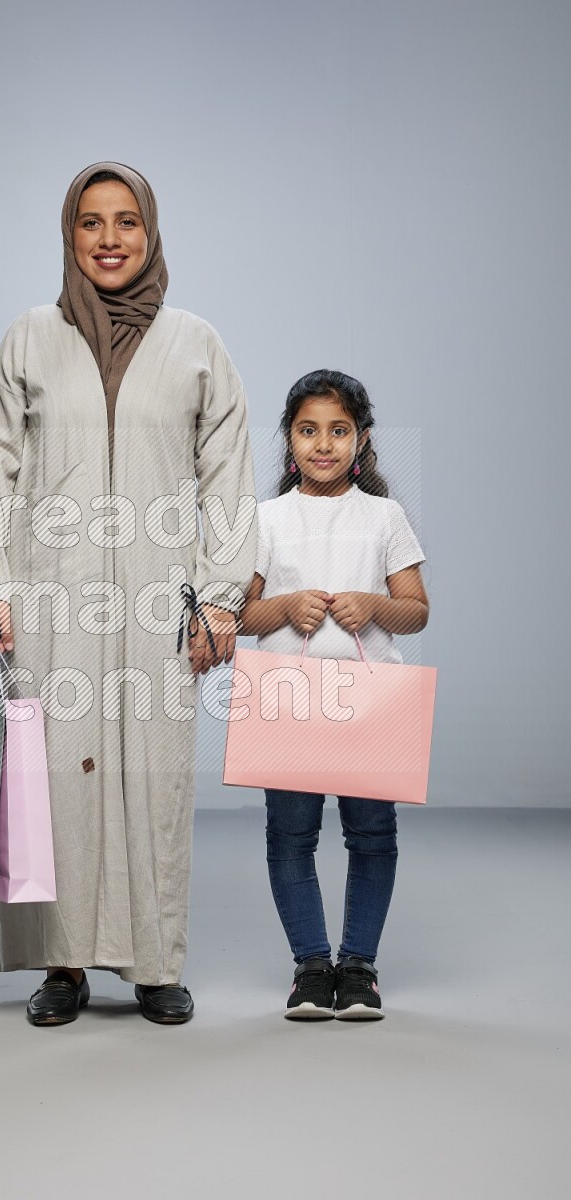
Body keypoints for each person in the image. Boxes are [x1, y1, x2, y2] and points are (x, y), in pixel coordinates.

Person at [0, 161, 256, 1025]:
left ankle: (157, 962)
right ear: (70, 235)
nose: (110, 239)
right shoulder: (28, 338)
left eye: (127, 222)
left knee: (156, 776)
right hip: (50, 594)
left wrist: (223, 598)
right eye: (92, 223)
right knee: (48, 778)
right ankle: (64, 966)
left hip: (161, 599)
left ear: (151, 232)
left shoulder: (198, 343)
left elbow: (229, 480)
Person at [239, 370, 428, 1020]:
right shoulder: (266, 518)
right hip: (289, 699)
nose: (324, 443)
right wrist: (286, 605)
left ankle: (360, 968)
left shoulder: (384, 516)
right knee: (291, 837)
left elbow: (415, 612)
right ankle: (311, 968)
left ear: (362, 440)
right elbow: (239, 616)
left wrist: (374, 602)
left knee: (371, 834)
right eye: (309, 429)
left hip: (370, 702)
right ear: (289, 441)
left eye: (339, 430)